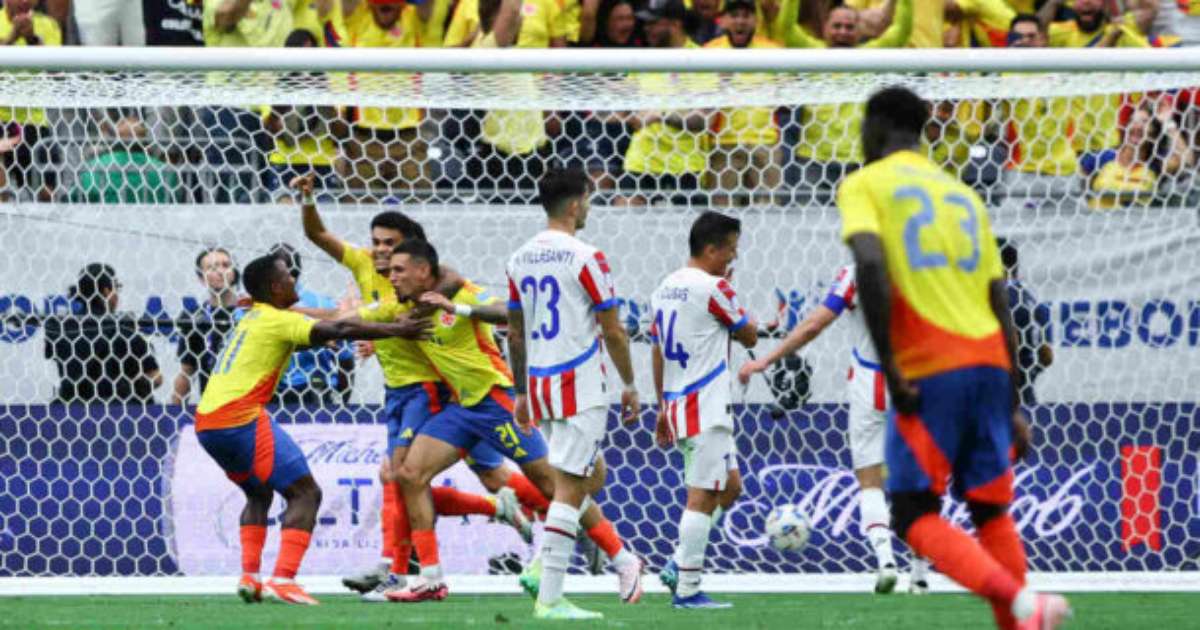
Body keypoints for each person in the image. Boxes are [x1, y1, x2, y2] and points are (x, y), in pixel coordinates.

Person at [837, 85, 1070, 629]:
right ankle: (1024, 618)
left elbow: (869, 267)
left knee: (913, 513)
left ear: (874, 128)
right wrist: (1013, 398)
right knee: (990, 510)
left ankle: (1022, 604)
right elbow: (1000, 299)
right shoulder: (963, 195)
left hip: (931, 364)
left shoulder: (866, 183)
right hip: (989, 362)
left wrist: (892, 367)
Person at [291, 174, 544, 601]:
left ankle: (398, 565)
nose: (381, 250)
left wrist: (416, 311)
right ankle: (536, 514)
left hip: (430, 388)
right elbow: (319, 242)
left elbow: (454, 281)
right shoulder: (364, 265)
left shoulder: (428, 282)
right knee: (481, 474)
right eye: (377, 241)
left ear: (410, 250)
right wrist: (288, 309)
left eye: (390, 243)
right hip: (408, 391)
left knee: (400, 474)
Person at [194, 254, 431, 606]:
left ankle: (250, 577)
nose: (294, 281)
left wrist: (348, 320)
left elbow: (324, 328)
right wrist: (399, 330)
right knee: (306, 493)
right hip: (239, 417)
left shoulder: (253, 316)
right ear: (276, 287)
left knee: (258, 493)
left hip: (207, 423)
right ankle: (284, 580)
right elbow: (338, 330)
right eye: (288, 277)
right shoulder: (276, 320)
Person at [378, 239, 555, 604]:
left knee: (550, 482)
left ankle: (618, 553)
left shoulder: (458, 291)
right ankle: (427, 577)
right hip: (459, 409)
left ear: (423, 270)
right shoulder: (401, 306)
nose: (389, 273)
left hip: (495, 399)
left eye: (397, 268)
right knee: (408, 475)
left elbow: (508, 313)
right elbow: (347, 319)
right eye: (387, 266)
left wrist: (457, 308)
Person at [739, 262, 932, 594]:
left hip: (868, 384)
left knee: (870, 479)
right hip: (914, 383)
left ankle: (885, 561)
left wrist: (767, 360)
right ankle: (919, 574)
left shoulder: (857, 271)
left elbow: (815, 324)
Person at [505, 167, 643, 620]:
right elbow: (613, 329)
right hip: (580, 384)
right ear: (574, 203)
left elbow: (517, 333)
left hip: (542, 385)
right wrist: (629, 383)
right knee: (570, 486)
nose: (589, 207)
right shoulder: (587, 257)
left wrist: (522, 391)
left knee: (588, 474)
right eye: (588, 199)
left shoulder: (519, 258)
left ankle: (561, 564)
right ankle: (550, 597)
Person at [651, 211, 757, 609]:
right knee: (702, 495)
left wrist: (662, 404)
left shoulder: (665, 287)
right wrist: (732, 293)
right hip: (706, 406)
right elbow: (749, 334)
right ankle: (688, 589)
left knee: (730, 486)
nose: (733, 258)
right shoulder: (715, 287)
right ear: (711, 249)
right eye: (730, 249)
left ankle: (679, 562)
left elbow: (658, 350)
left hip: (679, 403)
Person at [763, 0, 913, 188]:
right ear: (825, 28)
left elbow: (901, 30)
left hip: (857, 160)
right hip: (813, 158)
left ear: (859, 31)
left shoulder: (871, 57)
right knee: (810, 217)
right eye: (837, 26)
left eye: (849, 27)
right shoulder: (812, 53)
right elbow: (786, 27)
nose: (842, 32)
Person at [619, 0, 710, 205]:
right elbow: (624, 106)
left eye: (653, 23)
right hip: (641, 162)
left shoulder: (702, 60)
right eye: (645, 23)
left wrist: (660, 116)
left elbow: (703, 120)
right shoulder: (643, 60)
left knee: (685, 234)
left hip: (685, 166)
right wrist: (626, 115)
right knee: (625, 221)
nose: (646, 28)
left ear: (675, 25)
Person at [44, 263, 162, 405]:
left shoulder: (61, 327)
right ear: (106, 291)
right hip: (118, 412)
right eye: (116, 288)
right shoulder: (123, 330)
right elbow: (155, 378)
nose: (117, 295)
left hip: (72, 410)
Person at [703, 0, 783, 207]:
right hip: (723, 143)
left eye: (746, 16)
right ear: (723, 21)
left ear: (755, 21)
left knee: (770, 212)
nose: (741, 21)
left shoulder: (774, 51)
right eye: (735, 15)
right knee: (722, 213)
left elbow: (787, 96)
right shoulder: (708, 52)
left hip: (766, 142)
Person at [269, 242, 357, 406]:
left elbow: (345, 356)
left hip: (287, 392)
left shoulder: (255, 308)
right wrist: (344, 401)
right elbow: (346, 358)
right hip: (313, 393)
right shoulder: (324, 305)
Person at [1001, 15, 1079, 199]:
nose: (1025, 41)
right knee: (1017, 227)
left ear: (1043, 39)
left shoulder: (1062, 69)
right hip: (1021, 170)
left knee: (1073, 227)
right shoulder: (1002, 74)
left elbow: (1097, 59)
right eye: (1018, 36)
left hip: (1064, 170)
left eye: (1031, 36)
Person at [0, 0, 62, 202]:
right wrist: (12, 38)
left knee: (47, 193)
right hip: (1, 117)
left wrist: (31, 38)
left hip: (33, 121)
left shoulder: (48, 25)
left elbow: (57, 71)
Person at [1085, 101, 1194, 210]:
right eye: (1133, 121)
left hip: (1136, 223)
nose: (1138, 125)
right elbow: (1075, 176)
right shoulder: (1105, 157)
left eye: (1144, 122)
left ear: (1153, 133)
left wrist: (1169, 123)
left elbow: (1188, 160)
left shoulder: (1155, 164)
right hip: (1098, 222)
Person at [172, 247, 241, 405]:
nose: (220, 271)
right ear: (201, 278)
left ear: (234, 272)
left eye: (225, 265)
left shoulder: (251, 312)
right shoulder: (194, 319)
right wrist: (172, 416)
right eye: (211, 267)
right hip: (213, 408)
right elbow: (187, 372)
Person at [995, 238, 1052, 409]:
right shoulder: (1031, 299)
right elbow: (1047, 357)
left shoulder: (999, 298)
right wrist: (1030, 374)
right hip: (1028, 397)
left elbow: (1011, 342)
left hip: (1003, 397)